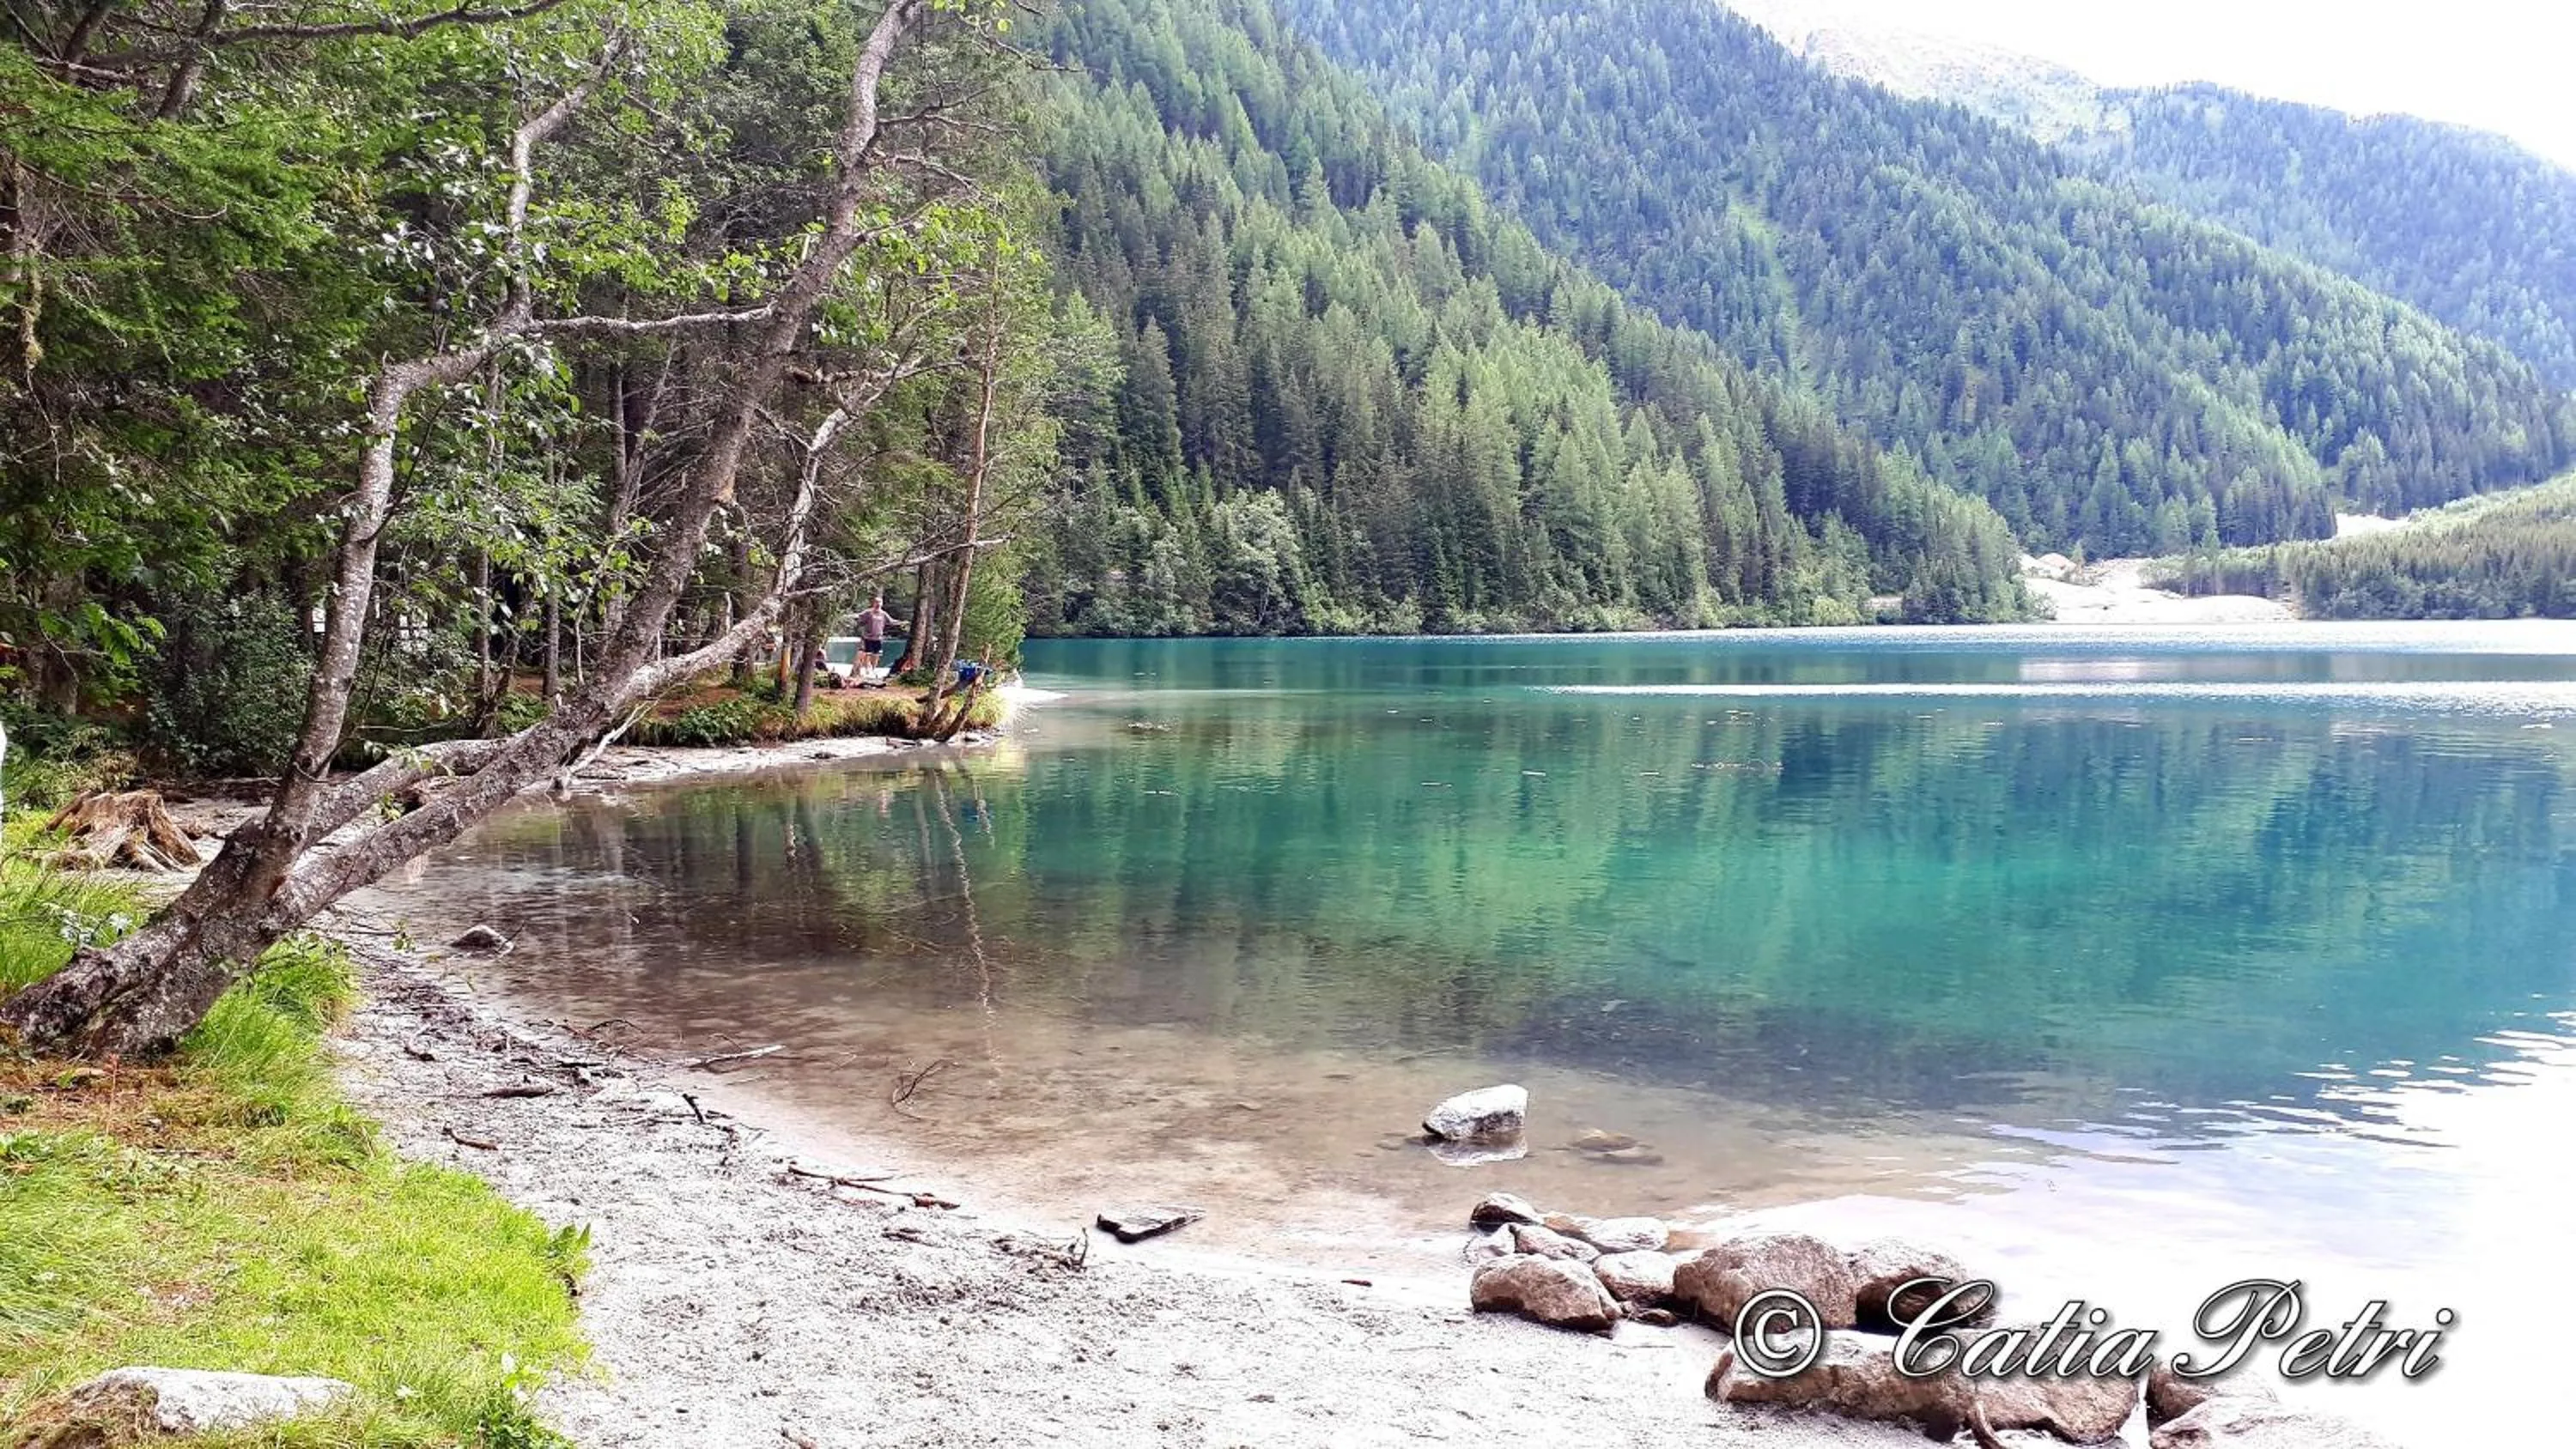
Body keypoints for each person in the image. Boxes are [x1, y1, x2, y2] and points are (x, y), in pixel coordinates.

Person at [854, 592, 902, 683]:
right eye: (876, 602)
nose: (878, 604)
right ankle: (867, 670)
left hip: (878, 637)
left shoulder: (883, 614)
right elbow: (859, 616)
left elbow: (891, 621)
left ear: (882, 604)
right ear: (874, 603)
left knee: (876, 655)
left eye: (880, 603)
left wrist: (901, 623)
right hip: (868, 637)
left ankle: (873, 669)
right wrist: (855, 618)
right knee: (867, 654)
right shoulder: (868, 612)